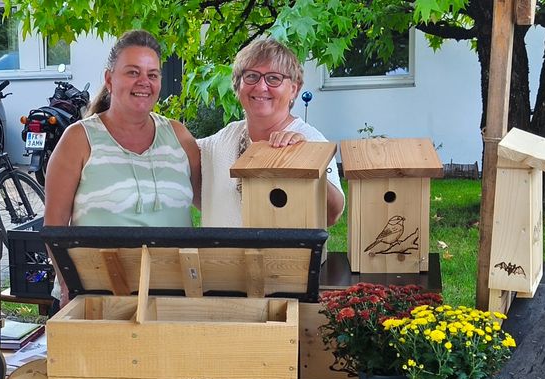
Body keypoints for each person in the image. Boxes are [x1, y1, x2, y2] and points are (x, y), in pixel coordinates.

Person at [43, 30, 201, 305]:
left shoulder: (180, 136)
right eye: (133, 72)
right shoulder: (78, 139)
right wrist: (68, 288)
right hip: (98, 298)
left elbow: (212, 200)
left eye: (153, 75)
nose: (144, 82)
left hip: (176, 298)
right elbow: (54, 227)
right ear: (109, 79)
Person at [198, 37, 345, 227]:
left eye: (274, 78)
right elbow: (184, 154)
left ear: (294, 89)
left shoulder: (311, 141)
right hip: (221, 257)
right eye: (251, 76)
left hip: (284, 257)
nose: (261, 87)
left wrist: (304, 158)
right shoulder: (225, 138)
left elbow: (331, 215)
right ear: (237, 84)